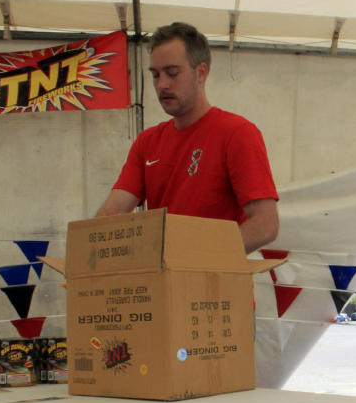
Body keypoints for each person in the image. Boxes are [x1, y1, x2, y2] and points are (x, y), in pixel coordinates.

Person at [97, 22, 279, 254]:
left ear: (201, 72)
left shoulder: (237, 133)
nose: (162, 84)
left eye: (173, 73)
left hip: (215, 286)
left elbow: (265, 225)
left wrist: (195, 260)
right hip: (164, 284)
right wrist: (90, 252)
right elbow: (111, 214)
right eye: (155, 75)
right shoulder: (147, 142)